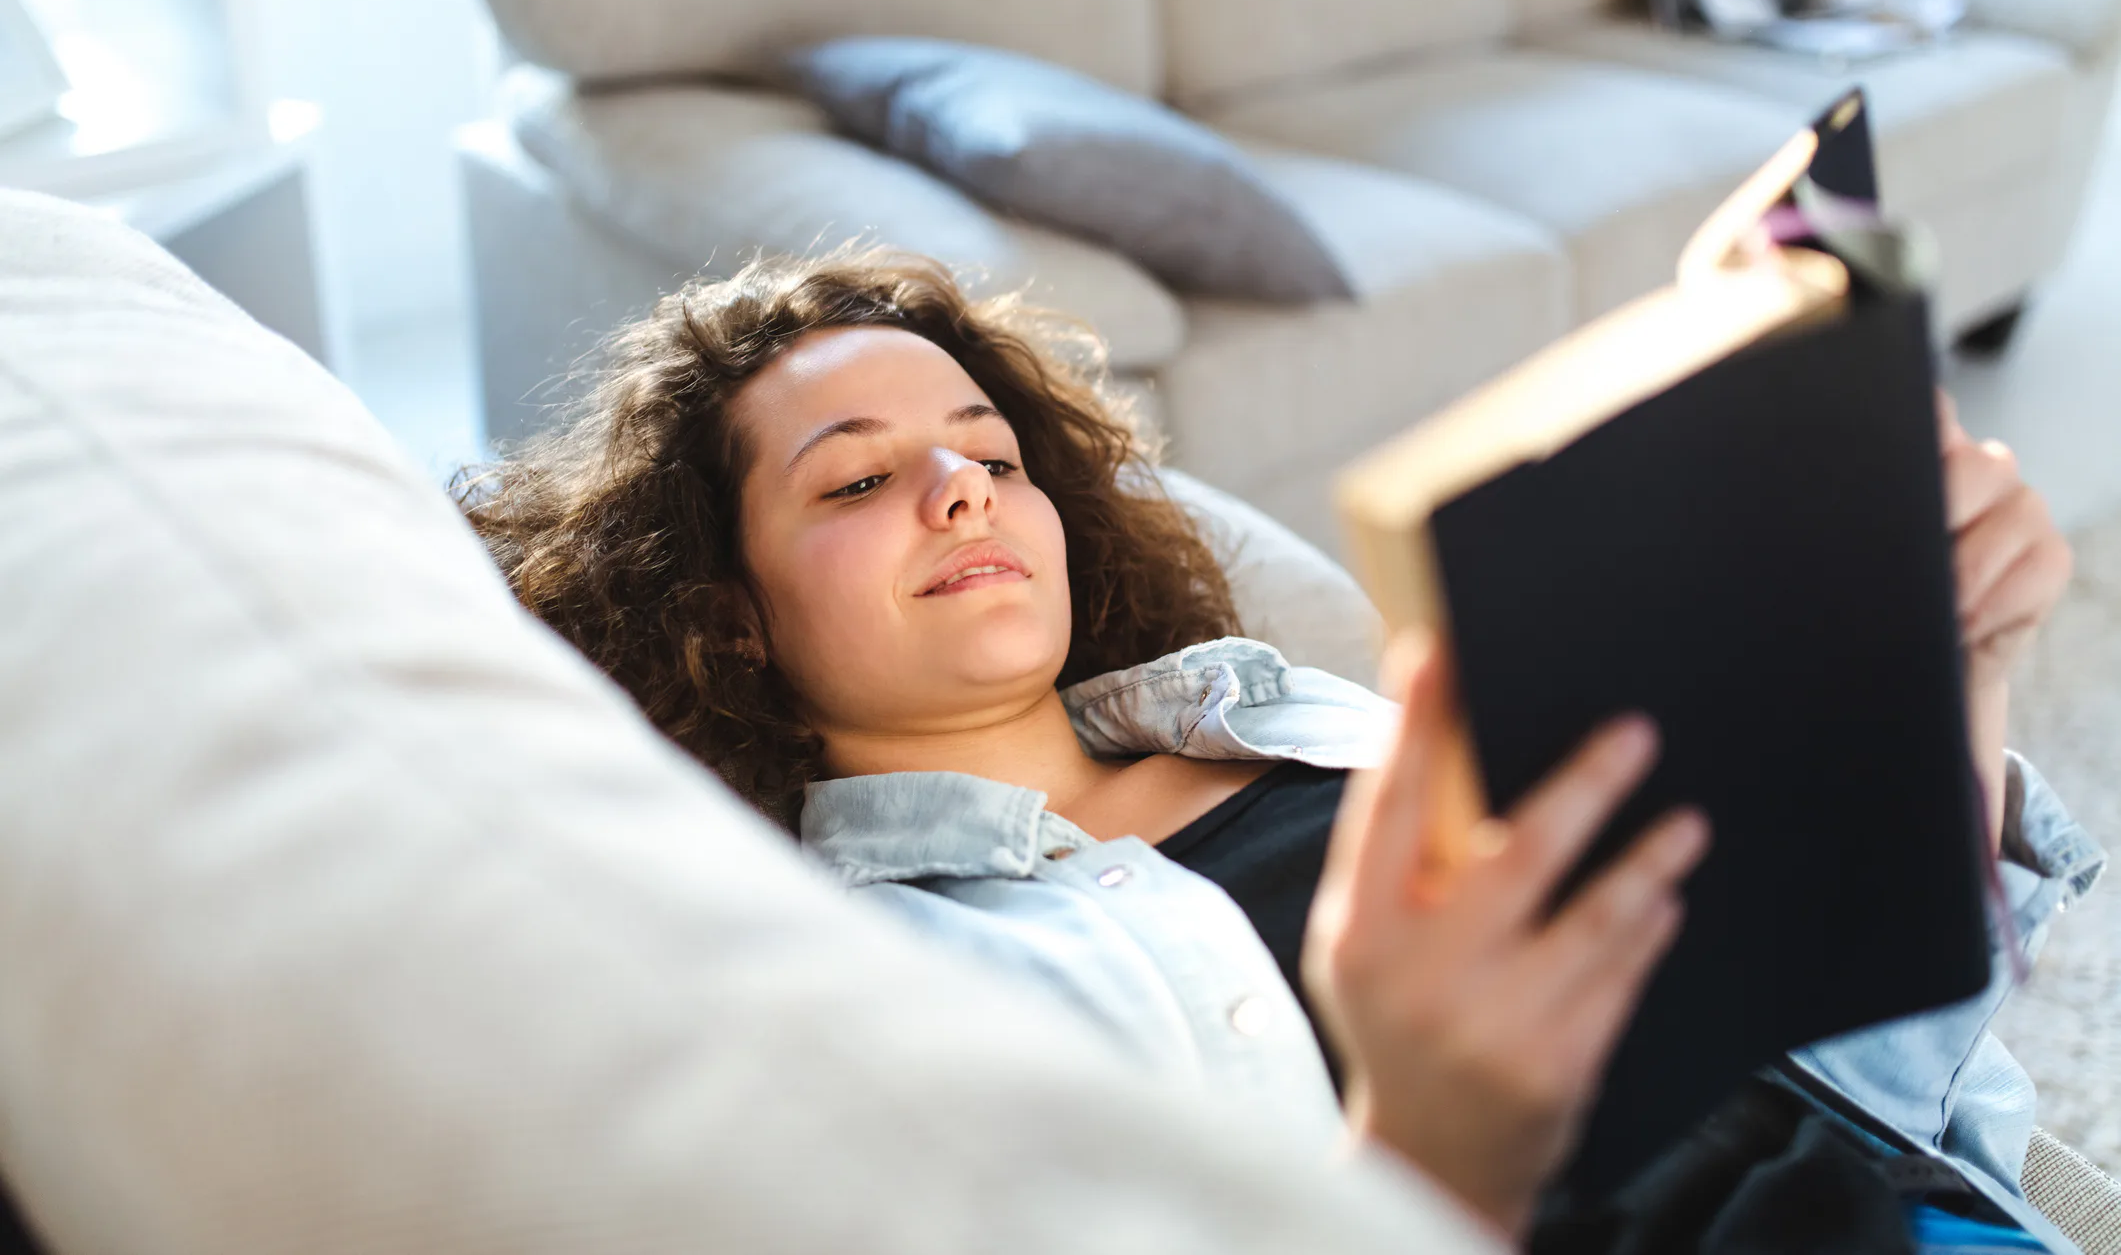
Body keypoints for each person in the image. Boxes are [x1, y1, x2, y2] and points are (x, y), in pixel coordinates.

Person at [462, 250, 2101, 1250]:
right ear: (728, 619)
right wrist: (1431, 1163)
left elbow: (1858, 1038)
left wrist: (1948, 670)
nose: (961, 489)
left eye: (990, 452)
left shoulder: (1299, 715)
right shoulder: (856, 971)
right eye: (855, 479)